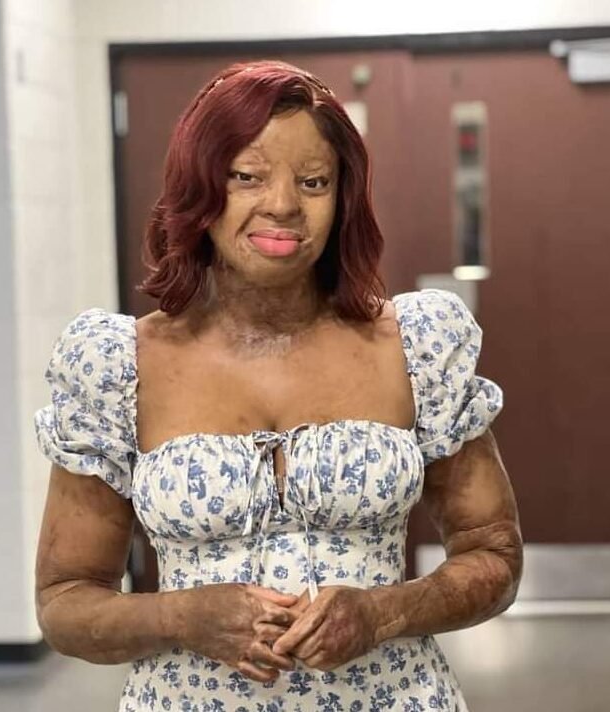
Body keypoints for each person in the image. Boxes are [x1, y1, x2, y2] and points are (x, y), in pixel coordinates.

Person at [34, 60, 523, 711]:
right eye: (247, 176)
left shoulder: (414, 346)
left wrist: (385, 612)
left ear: (342, 198)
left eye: (314, 181)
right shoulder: (118, 365)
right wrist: (179, 617)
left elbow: (492, 554)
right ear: (198, 187)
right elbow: (65, 602)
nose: (284, 205)